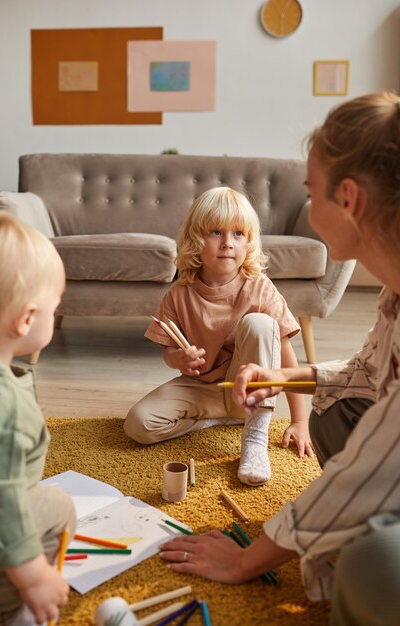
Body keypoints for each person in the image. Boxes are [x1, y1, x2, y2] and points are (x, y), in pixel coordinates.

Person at [159, 92, 400, 626]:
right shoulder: (393, 295)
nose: (308, 212)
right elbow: (367, 375)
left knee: (371, 568)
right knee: (337, 412)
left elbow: (368, 472)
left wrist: (248, 558)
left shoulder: (260, 289)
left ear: (351, 200)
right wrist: (280, 374)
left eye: (311, 194)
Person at [124, 186, 313, 486]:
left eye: (238, 234)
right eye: (215, 232)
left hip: (247, 388)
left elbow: (287, 356)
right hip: (203, 389)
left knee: (261, 324)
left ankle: (254, 437)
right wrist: (179, 360)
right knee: (138, 425)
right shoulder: (178, 293)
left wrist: (300, 421)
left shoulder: (260, 287)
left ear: (249, 242)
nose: (227, 243)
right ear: (195, 240)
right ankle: (217, 418)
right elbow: (167, 352)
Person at [0, 211, 76, 626]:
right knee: (58, 506)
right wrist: (35, 576)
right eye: (54, 310)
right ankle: (4, 607)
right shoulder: (0, 404)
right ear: (26, 319)